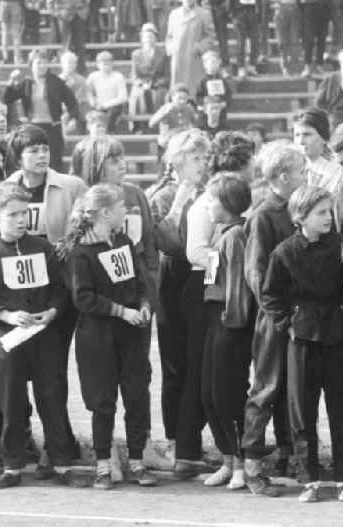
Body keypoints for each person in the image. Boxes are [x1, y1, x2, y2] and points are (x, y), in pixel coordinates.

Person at [0, 182, 85, 490]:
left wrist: (52, 313)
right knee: (12, 406)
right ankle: (12, 467)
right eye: (12, 215)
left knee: (53, 401)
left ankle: (62, 465)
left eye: (24, 213)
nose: (21, 219)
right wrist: (7, 315)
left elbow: (61, 294)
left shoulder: (43, 248)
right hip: (9, 342)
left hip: (44, 338)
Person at [262, 185, 343, 503]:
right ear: (300, 217)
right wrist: (288, 324)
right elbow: (271, 296)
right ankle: (310, 480)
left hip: (340, 336)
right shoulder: (285, 252)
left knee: (342, 410)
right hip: (303, 339)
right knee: (302, 412)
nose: (328, 217)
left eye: (329, 211)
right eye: (320, 212)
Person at [67, 183, 157, 489]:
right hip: (97, 338)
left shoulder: (123, 242)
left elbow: (139, 282)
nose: (126, 210)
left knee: (137, 397)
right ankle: (103, 464)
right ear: (105, 212)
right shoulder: (81, 253)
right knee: (103, 402)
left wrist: (144, 304)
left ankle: (137, 461)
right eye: (121, 207)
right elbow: (83, 299)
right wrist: (122, 311)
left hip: (130, 335)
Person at [240, 141, 307, 496]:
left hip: (296, 316)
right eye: (301, 171)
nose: (305, 176)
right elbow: (256, 273)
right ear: (283, 177)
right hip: (275, 318)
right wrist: (279, 315)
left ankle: (288, 455)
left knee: (290, 390)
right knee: (266, 388)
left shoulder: (296, 209)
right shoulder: (264, 216)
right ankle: (252, 463)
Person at [146, 129, 211, 469]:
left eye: (204, 157)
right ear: (177, 160)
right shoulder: (161, 194)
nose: (202, 164)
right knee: (175, 365)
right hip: (173, 278)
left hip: (202, 278)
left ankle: (192, 442)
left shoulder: (209, 191)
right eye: (195, 157)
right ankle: (175, 441)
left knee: (199, 363)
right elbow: (165, 241)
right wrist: (180, 201)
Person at [190, 173, 254, 489]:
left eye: (212, 199)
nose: (208, 204)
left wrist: (233, 319)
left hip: (230, 323)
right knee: (209, 394)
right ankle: (228, 457)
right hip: (214, 317)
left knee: (228, 394)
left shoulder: (236, 235)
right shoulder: (220, 232)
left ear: (227, 203)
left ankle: (242, 462)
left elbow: (239, 284)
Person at [2, 49, 80, 172]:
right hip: (33, 128)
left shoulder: (56, 82)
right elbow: (7, 99)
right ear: (31, 65)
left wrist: (73, 118)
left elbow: (71, 101)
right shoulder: (26, 83)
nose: (42, 66)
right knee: (33, 162)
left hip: (53, 127)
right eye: (38, 63)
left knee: (54, 162)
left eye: (44, 62)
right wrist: (10, 83)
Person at [128, 23, 169, 134]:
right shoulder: (136, 54)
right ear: (142, 39)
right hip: (142, 83)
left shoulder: (163, 53)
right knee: (138, 95)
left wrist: (155, 84)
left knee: (158, 95)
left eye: (151, 37)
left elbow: (166, 75)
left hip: (158, 84)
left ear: (155, 38)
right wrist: (142, 84)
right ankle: (139, 126)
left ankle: (158, 126)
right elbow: (134, 75)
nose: (149, 39)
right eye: (146, 37)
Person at [149, 84, 199, 157]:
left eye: (185, 98)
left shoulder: (189, 109)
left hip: (184, 139)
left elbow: (195, 125)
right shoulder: (166, 108)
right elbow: (151, 124)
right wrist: (165, 113)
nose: (182, 101)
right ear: (172, 97)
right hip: (167, 140)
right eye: (179, 98)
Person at [86, 52, 128, 134]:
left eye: (109, 62)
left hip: (114, 106)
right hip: (98, 105)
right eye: (103, 63)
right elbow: (88, 91)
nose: (106, 65)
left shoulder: (118, 76)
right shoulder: (93, 76)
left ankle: (109, 133)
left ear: (112, 64)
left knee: (114, 112)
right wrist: (92, 100)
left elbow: (123, 97)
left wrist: (106, 104)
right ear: (98, 64)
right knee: (89, 113)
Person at [195, 50, 231, 132]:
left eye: (216, 62)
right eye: (211, 62)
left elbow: (228, 95)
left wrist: (225, 103)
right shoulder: (202, 81)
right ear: (205, 65)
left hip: (220, 111)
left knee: (221, 128)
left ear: (219, 63)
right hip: (206, 113)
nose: (213, 65)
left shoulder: (223, 80)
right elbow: (198, 97)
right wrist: (204, 103)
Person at [58, 51, 89, 134]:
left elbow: (81, 100)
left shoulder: (81, 80)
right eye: (68, 63)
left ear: (76, 64)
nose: (70, 65)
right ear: (62, 64)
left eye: (73, 63)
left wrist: (72, 116)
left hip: (77, 111)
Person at [230, 0, 261, 78]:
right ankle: (241, 67)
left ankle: (252, 66)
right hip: (239, 10)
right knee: (241, 42)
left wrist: (259, 12)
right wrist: (232, 13)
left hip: (253, 10)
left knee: (255, 41)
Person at [300, 0, 330, 78]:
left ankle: (319, 65)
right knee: (309, 39)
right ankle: (307, 67)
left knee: (322, 39)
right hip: (309, 6)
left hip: (323, 6)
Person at [274, 0, 300, 76]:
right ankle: (285, 66)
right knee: (282, 41)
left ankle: (294, 67)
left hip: (294, 7)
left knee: (294, 41)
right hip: (280, 7)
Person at [0, 0, 22, 64]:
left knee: (5, 32)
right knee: (15, 33)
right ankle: (16, 58)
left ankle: (6, 58)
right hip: (13, 3)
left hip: (4, 3)